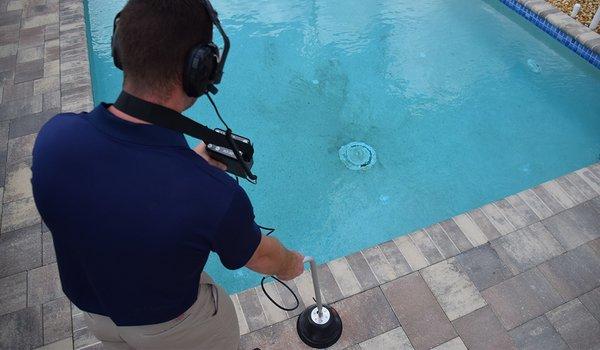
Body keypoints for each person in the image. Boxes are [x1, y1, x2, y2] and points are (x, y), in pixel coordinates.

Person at [31, 0, 304, 349]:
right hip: (175, 331)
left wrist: (185, 169)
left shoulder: (55, 139)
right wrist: (291, 263)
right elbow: (262, 256)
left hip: (98, 316)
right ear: (200, 70)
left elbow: (109, 199)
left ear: (120, 48)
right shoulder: (213, 195)